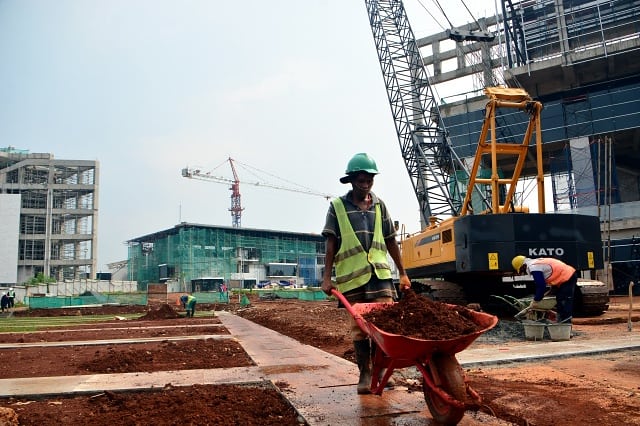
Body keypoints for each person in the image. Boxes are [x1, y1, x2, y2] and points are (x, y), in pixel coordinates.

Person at [321, 152, 411, 395]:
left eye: (369, 177)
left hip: (380, 277)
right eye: (360, 177)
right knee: (360, 328)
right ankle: (365, 373)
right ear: (351, 179)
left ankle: (381, 369)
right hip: (352, 279)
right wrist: (327, 277)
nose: (365, 181)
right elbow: (331, 242)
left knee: (384, 326)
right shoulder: (337, 207)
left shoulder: (380, 205)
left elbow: (391, 240)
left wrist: (402, 273)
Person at [512, 255, 577, 323]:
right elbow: (552, 273)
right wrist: (550, 290)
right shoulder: (535, 263)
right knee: (560, 301)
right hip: (564, 276)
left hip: (568, 276)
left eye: (522, 270)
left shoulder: (534, 267)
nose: (524, 272)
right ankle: (561, 323)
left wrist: (536, 300)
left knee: (564, 301)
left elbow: (541, 286)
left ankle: (565, 326)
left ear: (524, 265)